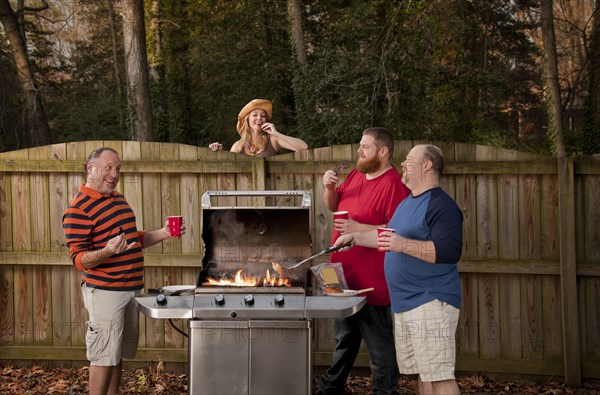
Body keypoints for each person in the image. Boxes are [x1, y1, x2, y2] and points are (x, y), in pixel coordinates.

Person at [333, 144, 463, 395]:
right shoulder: (408, 203)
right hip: (406, 304)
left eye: (409, 160)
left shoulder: (441, 205)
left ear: (427, 165)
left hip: (431, 301)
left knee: (440, 376)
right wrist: (355, 239)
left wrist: (402, 244)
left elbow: (449, 252)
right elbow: (387, 237)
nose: (402, 164)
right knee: (425, 376)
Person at [62, 147, 185, 395]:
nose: (114, 173)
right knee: (102, 355)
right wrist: (107, 251)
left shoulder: (117, 199)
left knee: (116, 352)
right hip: (105, 292)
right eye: (108, 167)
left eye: (117, 168)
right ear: (91, 168)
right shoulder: (79, 209)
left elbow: (133, 238)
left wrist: (163, 233)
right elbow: (78, 260)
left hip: (130, 290)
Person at [316, 127, 410, 395]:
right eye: (360, 145)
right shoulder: (357, 174)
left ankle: (385, 391)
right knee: (344, 339)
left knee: (379, 345)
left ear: (383, 152)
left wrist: (358, 228)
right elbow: (333, 206)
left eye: (365, 147)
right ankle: (331, 388)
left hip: (374, 280)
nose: (359, 151)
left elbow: (398, 229)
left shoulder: (394, 184)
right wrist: (329, 187)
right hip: (343, 274)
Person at [208, 98, 308, 156]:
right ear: (247, 119)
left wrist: (277, 134)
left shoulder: (273, 140)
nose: (259, 118)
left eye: (263, 116)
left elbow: (304, 147)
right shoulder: (237, 145)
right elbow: (228, 171)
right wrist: (219, 153)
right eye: (255, 115)